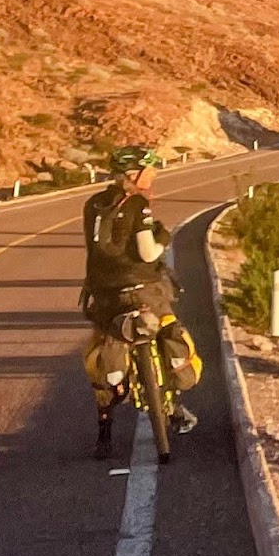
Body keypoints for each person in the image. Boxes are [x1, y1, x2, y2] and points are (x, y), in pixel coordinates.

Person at [80, 147, 201, 456]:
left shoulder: (92, 204)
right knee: (167, 327)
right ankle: (173, 406)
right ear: (134, 174)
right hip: (143, 288)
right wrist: (163, 238)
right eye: (151, 169)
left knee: (105, 343)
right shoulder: (137, 204)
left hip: (104, 293)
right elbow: (147, 253)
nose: (155, 174)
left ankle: (104, 432)